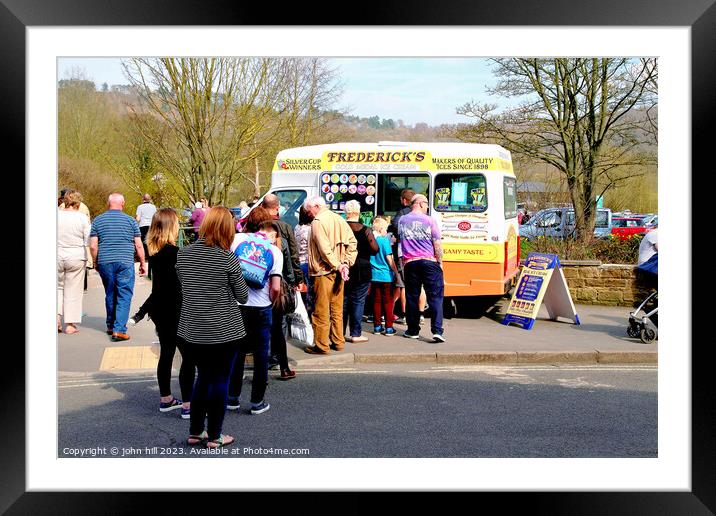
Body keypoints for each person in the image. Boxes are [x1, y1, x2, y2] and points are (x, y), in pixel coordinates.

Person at [176, 206, 249, 449]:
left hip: (192, 330)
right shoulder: (227, 258)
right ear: (228, 230)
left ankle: (196, 431)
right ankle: (215, 435)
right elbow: (243, 295)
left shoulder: (183, 255)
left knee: (202, 379)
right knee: (219, 381)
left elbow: (186, 286)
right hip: (224, 330)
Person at [142, 208, 195, 419]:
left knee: (166, 353)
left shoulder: (154, 254)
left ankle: (166, 398)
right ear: (172, 227)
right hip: (177, 309)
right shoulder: (177, 253)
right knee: (188, 357)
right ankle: (189, 404)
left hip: (159, 309)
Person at [227, 219, 284, 415]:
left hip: (237, 305)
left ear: (258, 230)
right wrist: (271, 300)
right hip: (261, 308)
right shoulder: (275, 252)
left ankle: (232, 398)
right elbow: (275, 287)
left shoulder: (238, 239)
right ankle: (257, 402)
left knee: (237, 353)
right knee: (261, 356)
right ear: (273, 236)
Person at [303, 196, 357, 355]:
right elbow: (353, 243)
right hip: (339, 271)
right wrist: (346, 263)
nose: (309, 213)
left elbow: (324, 248)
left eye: (309, 210)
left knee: (321, 310)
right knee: (336, 308)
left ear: (317, 206)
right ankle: (338, 341)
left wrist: (338, 264)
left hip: (323, 271)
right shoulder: (339, 219)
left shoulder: (318, 222)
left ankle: (321, 345)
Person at [89, 193, 146, 342]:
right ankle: (119, 330)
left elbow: (93, 246)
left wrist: (95, 262)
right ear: (123, 204)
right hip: (125, 262)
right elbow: (138, 244)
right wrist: (142, 263)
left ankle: (110, 325)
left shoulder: (98, 221)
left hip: (105, 262)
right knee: (124, 294)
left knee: (110, 292)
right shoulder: (130, 221)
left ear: (108, 204)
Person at [398, 194, 445, 342]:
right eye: (426, 204)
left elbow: (401, 243)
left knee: (412, 296)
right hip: (429, 262)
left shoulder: (402, 220)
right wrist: (440, 262)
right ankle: (437, 331)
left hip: (410, 263)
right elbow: (437, 243)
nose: (427, 208)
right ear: (419, 203)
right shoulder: (429, 220)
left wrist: (402, 264)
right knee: (435, 297)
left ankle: (413, 330)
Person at [343, 200, 379, 343]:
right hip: (363, 268)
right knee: (358, 301)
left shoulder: (342, 228)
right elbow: (375, 249)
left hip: (345, 267)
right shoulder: (366, 229)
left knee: (344, 301)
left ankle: (339, 334)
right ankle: (356, 334)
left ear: (346, 212)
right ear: (358, 212)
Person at [57, 190, 91, 334]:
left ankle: (56, 319)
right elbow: (88, 240)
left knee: (57, 288)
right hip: (76, 256)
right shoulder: (82, 218)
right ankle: (70, 324)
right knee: (73, 290)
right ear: (78, 202)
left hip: (57, 254)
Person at [387, 189, 416, 324]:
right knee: (418, 286)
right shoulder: (422, 213)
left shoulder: (403, 212)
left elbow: (395, 225)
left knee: (403, 285)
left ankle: (405, 314)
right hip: (419, 253)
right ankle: (419, 314)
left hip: (404, 253)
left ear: (404, 201)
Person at [370, 217, 401, 336]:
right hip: (386, 276)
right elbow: (389, 259)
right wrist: (396, 272)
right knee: (388, 301)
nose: (386, 232)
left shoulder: (371, 241)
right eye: (386, 229)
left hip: (374, 275)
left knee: (376, 301)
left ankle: (377, 327)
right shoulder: (384, 241)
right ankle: (389, 327)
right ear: (381, 229)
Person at [294, 205, 314, 314]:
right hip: (307, 262)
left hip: (298, 262)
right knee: (309, 293)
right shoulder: (310, 229)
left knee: (301, 292)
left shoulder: (297, 227)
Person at [135, 193, 157, 280]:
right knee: (151, 247)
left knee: (142, 248)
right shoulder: (153, 207)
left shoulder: (140, 207)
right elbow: (156, 217)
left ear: (143, 199)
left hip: (143, 227)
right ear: (150, 199)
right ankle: (152, 269)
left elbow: (137, 219)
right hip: (152, 227)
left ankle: (142, 268)